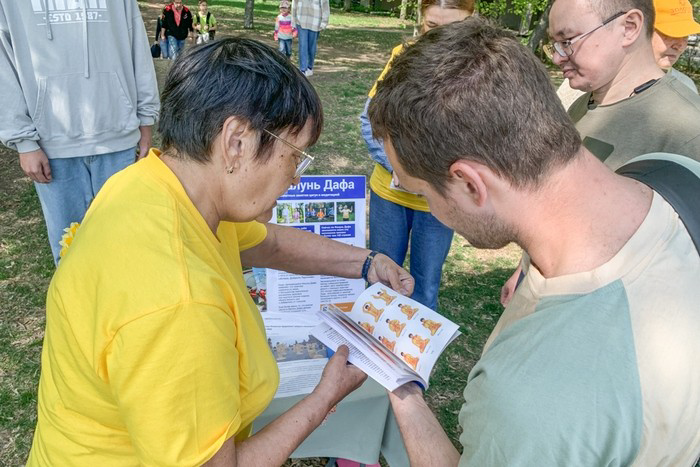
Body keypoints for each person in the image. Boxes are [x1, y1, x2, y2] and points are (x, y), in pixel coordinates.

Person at [28, 38, 414, 466]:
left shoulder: (153, 184)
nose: (296, 180)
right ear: (236, 142)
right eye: (295, 157)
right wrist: (324, 398)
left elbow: (269, 242)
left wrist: (365, 262)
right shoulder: (180, 303)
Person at [369, 18, 700, 465]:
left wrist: (401, 391)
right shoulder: (674, 172)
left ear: (470, 183)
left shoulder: (529, 405)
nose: (428, 205)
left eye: (423, 192)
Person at [0, 0, 159, 265]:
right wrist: (23, 140)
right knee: (70, 257)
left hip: (118, 140)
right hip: (53, 147)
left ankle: (125, 307)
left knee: (126, 248)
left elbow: (137, 46)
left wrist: (146, 121)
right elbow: (3, 63)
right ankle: (75, 308)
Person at [359, 0, 474, 311]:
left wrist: (428, 179)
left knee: (425, 285)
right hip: (389, 195)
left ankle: (416, 355)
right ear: (421, 20)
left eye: (453, 28)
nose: (439, 39)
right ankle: (375, 350)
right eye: (431, 28)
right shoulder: (401, 57)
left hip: (439, 203)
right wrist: (398, 168)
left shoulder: (479, 71)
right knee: (381, 276)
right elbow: (369, 121)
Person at [547, 0, 700, 170]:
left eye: (567, 41)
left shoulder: (689, 130)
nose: (556, 58)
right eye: (555, 44)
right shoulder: (582, 104)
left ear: (629, 28)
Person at [555, 0, 700, 110]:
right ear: (633, 29)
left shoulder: (686, 88)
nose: (680, 44)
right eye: (670, 33)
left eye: (685, 35)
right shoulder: (584, 83)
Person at [292, 0, 330, 76]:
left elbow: (325, 6)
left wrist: (324, 22)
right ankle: (303, 69)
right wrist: (293, 21)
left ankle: (310, 67)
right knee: (303, 45)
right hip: (301, 20)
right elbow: (294, 3)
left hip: (315, 21)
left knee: (312, 46)